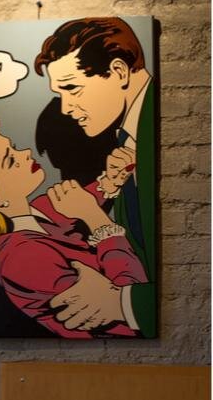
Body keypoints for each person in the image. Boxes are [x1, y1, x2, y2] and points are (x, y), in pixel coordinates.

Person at [0, 116, 145, 339]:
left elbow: (82, 198)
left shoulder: (38, 210)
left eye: (13, 147)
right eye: (10, 159)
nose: (25, 153)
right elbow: (130, 305)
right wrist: (96, 220)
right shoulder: (20, 257)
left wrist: (112, 178)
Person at [34, 17, 156, 336]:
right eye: (60, 94)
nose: (67, 108)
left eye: (72, 89)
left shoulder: (158, 129)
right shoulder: (127, 140)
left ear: (118, 71)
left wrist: (119, 302)